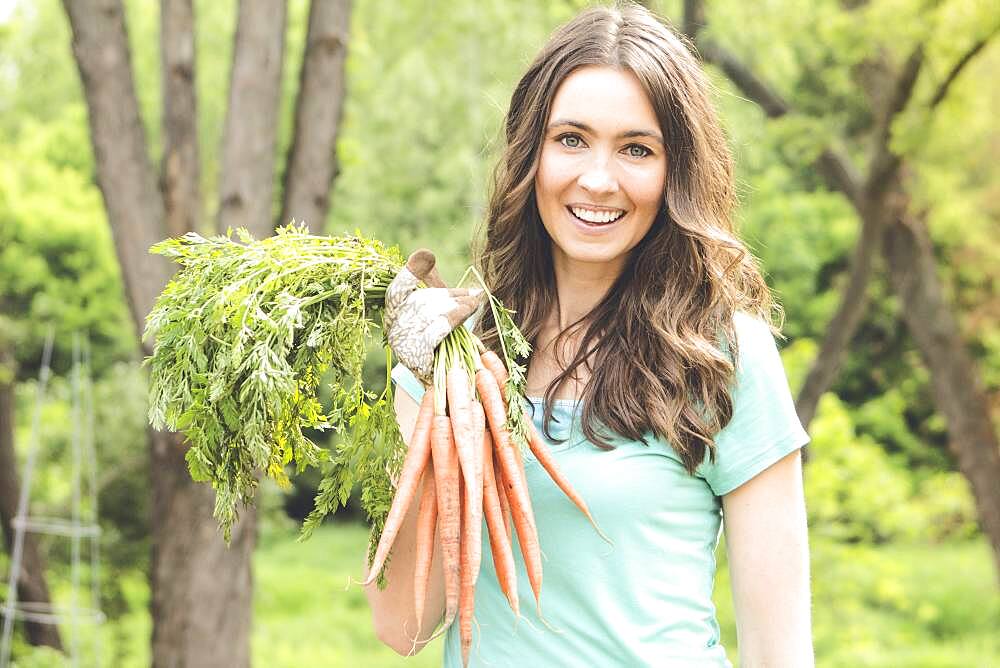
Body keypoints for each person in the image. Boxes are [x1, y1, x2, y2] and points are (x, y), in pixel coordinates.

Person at [365, 2, 814, 666]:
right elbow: (402, 626)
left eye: (636, 148)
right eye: (571, 139)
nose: (598, 179)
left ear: (674, 173)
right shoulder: (456, 347)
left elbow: (780, 654)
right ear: (531, 154)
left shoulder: (723, 355)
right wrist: (425, 390)